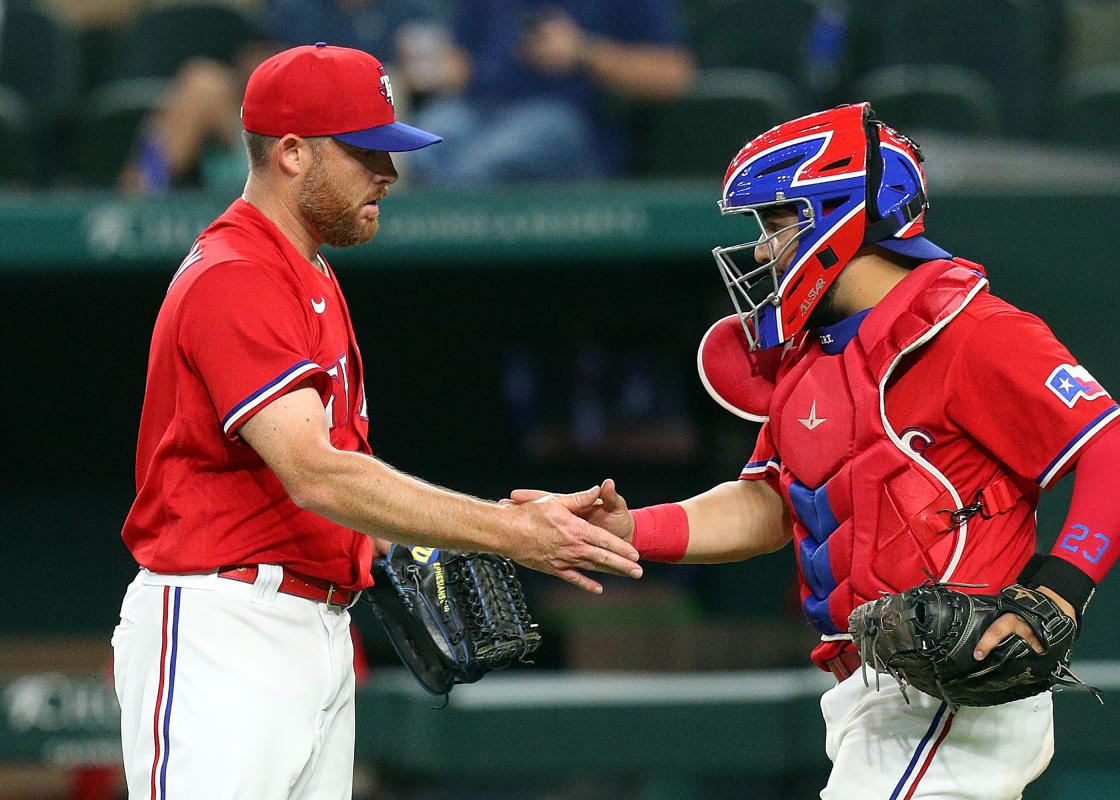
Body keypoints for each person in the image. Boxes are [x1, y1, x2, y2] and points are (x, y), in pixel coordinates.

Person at [512, 103, 1120, 799]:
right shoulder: (812, 353)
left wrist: (1058, 593)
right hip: (866, 692)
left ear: (840, 215)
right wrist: (629, 528)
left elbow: (1118, 450)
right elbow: (766, 503)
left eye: (776, 222)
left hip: (954, 684)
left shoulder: (970, 328)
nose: (762, 249)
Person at [111, 44, 643, 800]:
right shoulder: (237, 275)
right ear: (292, 153)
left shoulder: (312, 272)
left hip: (313, 629)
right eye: (365, 153)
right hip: (224, 627)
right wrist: (507, 531)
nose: (388, 175)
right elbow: (316, 470)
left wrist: (502, 521)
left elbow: (334, 484)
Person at [119, 0, 444, 194]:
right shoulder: (295, 8)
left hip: (363, 142)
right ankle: (134, 209)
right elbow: (256, 67)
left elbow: (441, 74)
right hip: (286, 137)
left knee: (387, 86)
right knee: (202, 82)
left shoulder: (409, 10)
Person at [399, 0, 696, 184]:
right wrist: (437, 67)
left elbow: (673, 75)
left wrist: (583, 52)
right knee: (423, 141)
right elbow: (461, 56)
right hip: (479, 109)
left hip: (572, 122)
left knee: (486, 160)